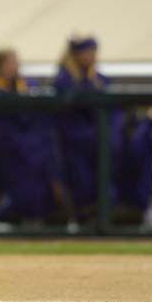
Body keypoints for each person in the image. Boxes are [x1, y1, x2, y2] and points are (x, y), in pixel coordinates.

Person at [0, 49, 61, 223]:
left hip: (33, 149)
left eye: (15, 62)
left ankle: (34, 216)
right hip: (8, 150)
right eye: (9, 63)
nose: (14, 67)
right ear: (0, 66)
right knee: (20, 185)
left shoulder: (26, 85)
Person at [53, 36, 110, 221]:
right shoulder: (64, 80)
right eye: (87, 52)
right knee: (78, 188)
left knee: (100, 188)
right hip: (72, 146)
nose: (92, 56)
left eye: (93, 52)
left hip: (97, 146)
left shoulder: (98, 79)